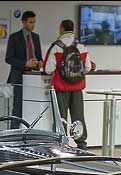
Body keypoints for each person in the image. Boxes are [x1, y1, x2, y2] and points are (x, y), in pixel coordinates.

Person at [44, 19, 94, 149]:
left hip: (61, 88)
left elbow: (48, 69)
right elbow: (87, 67)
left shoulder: (56, 47)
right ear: (73, 29)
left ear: (61, 29)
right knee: (78, 117)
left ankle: (62, 144)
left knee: (61, 117)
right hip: (77, 88)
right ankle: (82, 144)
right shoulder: (81, 46)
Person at [5, 11, 42, 126]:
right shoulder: (14, 38)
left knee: (33, 106)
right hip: (19, 77)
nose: (33, 25)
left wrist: (39, 62)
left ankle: (30, 133)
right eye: (30, 22)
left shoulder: (36, 37)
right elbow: (9, 58)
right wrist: (25, 63)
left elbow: (39, 56)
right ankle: (14, 134)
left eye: (34, 22)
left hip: (34, 77)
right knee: (18, 107)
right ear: (23, 22)